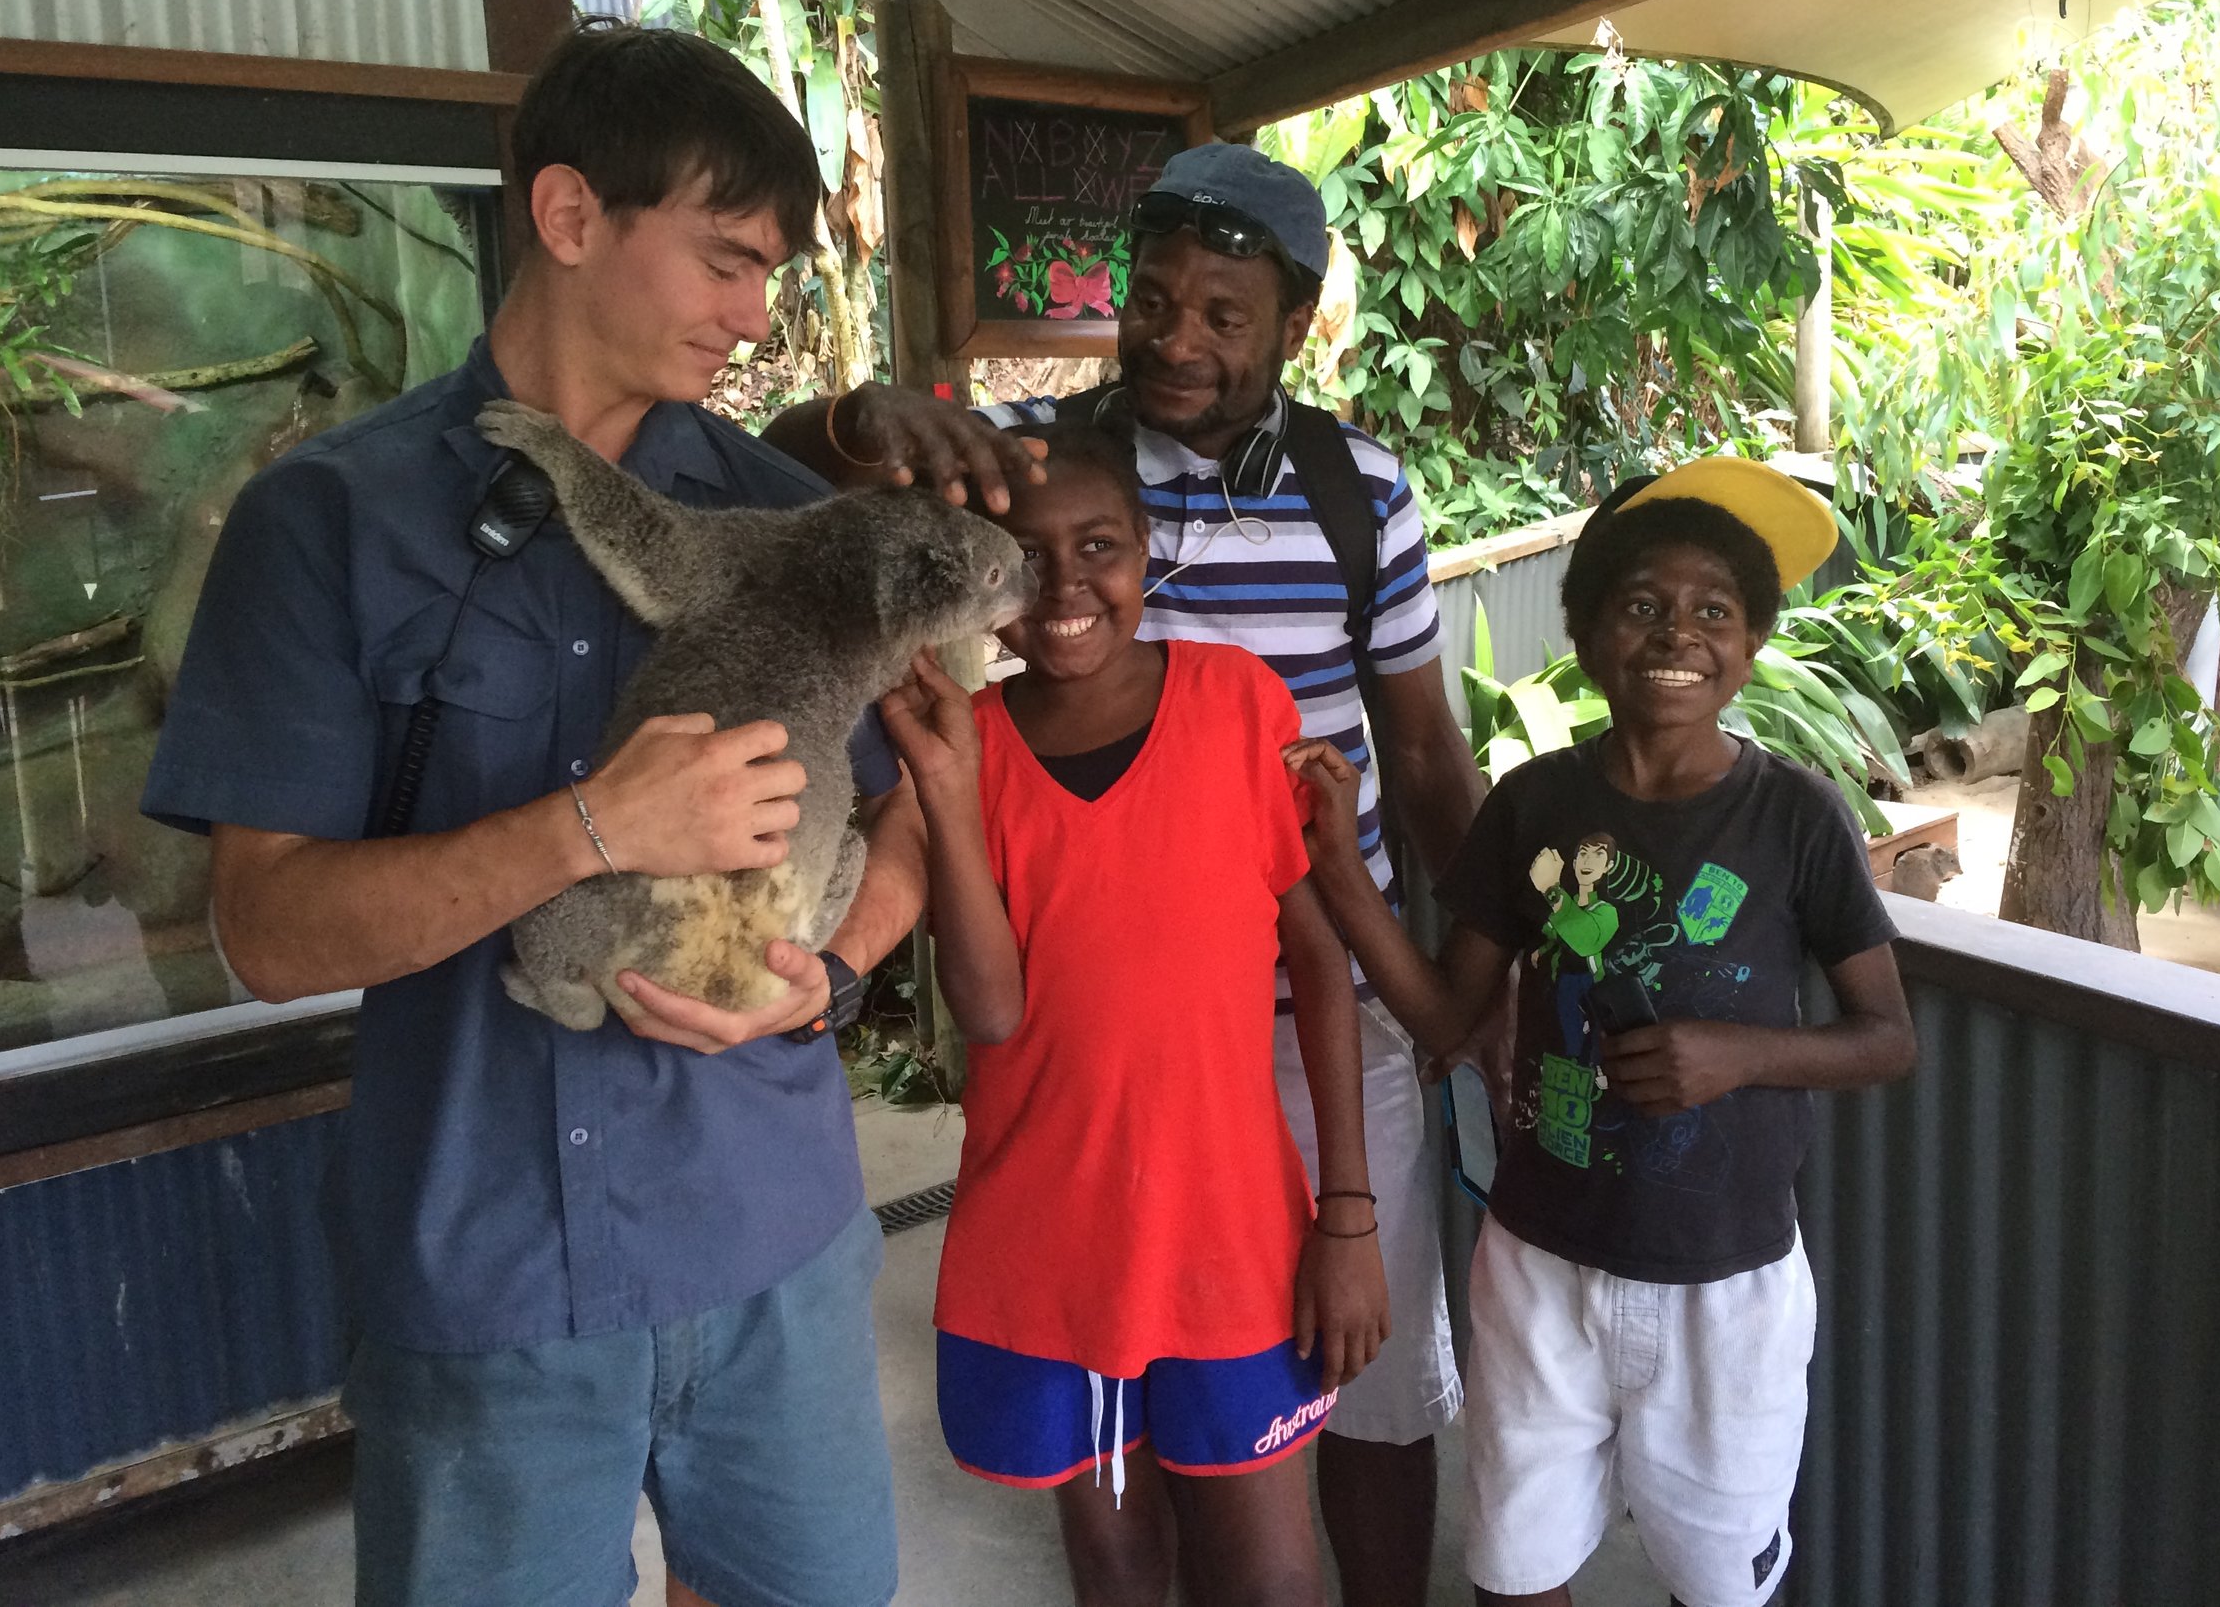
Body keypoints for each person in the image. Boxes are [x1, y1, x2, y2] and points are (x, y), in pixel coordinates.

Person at [141, 21, 920, 1607]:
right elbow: (267, 931)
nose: (753, 313)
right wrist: (593, 829)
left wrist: (829, 977)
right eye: (721, 260)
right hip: (488, 1270)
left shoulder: (784, 522)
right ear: (569, 217)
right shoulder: (330, 525)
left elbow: (910, 828)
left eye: (768, 272)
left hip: (772, 1237)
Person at [768, 144, 1486, 1607]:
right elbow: (784, 466)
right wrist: (862, 416)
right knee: (1135, 1442)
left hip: (1314, 1008)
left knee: (1365, 1388)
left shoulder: (1363, 493)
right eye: (1155, 300)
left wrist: (1479, 980)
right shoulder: (1030, 455)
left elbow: (1421, 760)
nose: (1179, 337)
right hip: (1100, 1024)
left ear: (1296, 319)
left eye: (1227, 312)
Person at [1284, 458, 1919, 1607]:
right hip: (1538, 1265)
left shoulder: (1794, 820)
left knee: (1718, 1584)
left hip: (1725, 1284)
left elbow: (1885, 1040)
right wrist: (1337, 869)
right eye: (1640, 606)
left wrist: (1742, 1056)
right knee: (1516, 1571)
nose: (1676, 632)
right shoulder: (1535, 808)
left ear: (1752, 643)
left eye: (1711, 611)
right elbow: (1440, 1012)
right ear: (1584, 634)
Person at [879, 420, 1388, 1606]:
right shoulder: (974, 748)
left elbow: (1316, 964)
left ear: (1145, 550)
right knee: (1114, 1567)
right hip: (1054, 1250)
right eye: (1022, 556)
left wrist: (1348, 1215)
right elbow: (990, 1014)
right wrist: (948, 794)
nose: (1063, 586)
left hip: (1233, 1243)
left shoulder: (1234, 704)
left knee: (1264, 1574)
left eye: (1097, 545)